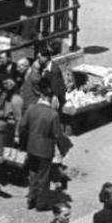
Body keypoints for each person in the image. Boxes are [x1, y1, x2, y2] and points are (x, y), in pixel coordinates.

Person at [19, 78, 66, 211]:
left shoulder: (31, 108)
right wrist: (62, 150)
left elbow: (22, 127)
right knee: (44, 177)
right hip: (45, 149)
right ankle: (41, 203)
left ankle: (31, 199)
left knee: (33, 173)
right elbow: (58, 135)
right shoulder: (53, 114)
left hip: (31, 146)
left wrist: (24, 143)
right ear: (51, 98)